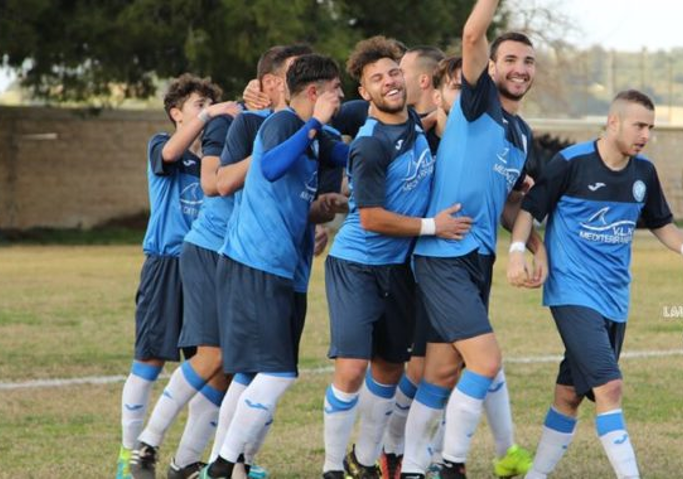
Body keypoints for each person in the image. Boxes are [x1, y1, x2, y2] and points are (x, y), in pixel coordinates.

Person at [507, 90, 683, 479]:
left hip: (616, 297)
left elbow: (660, 221)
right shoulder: (570, 163)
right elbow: (529, 211)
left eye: (650, 127)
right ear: (613, 122)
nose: (645, 134)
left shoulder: (643, 173)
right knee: (610, 387)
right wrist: (519, 250)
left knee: (569, 395)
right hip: (572, 291)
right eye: (639, 125)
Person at [400, 1, 542, 477]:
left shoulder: (521, 135)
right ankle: (452, 464)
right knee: (485, 361)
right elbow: (471, 33)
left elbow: (507, 204)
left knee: (441, 373)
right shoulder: (476, 102)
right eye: (509, 60)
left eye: (528, 61)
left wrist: (535, 249)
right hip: (444, 255)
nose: (519, 69)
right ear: (490, 67)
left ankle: (413, 467)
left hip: (477, 259)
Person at [319, 36, 470, 479]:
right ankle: (331, 468)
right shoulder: (369, 145)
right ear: (364, 94)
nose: (388, 81)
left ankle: (364, 462)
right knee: (351, 369)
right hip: (357, 266)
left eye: (392, 72)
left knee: (389, 367)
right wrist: (433, 227)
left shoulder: (414, 125)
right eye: (376, 79)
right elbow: (369, 218)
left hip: (400, 269)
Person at [200, 53, 345, 479]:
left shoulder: (315, 135)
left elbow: (353, 152)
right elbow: (270, 166)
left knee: (248, 374)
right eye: (336, 89)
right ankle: (223, 464)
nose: (342, 96)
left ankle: (222, 465)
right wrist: (315, 123)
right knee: (279, 372)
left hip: (283, 270)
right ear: (315, 93)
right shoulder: (283, 124)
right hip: (255, 265)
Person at [115, 74, 237, 479]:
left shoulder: (214, 163)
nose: (207, 111)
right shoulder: (162, 146)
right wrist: (210, 116)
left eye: (210, 104)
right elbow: (170, 150)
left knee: (213, 365)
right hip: (167, 265)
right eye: (198, 104)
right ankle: (129, 454)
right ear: (176, 112)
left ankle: (189, 459)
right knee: (149, 360)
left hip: (206, 266)